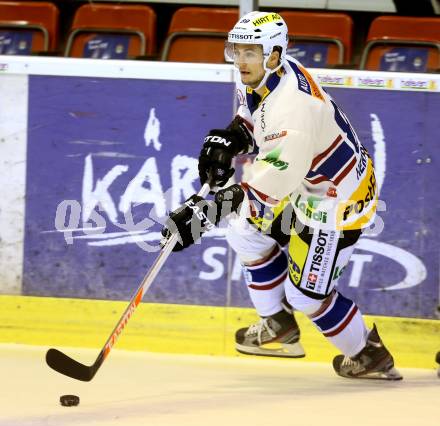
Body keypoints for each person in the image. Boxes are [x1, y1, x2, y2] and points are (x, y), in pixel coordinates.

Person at [161, 11, 402, 380]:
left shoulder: (294, 109)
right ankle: (277, 325)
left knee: (306, 296)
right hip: (306, 181)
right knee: (243, 231)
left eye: (250, 53)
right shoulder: (265, 73)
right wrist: (231, 139)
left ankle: (367, 355)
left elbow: (269, 187)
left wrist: (205, 212)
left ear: (274, 54)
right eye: (235, 51)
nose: (240, 61)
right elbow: (251, 116)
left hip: (335, 202)